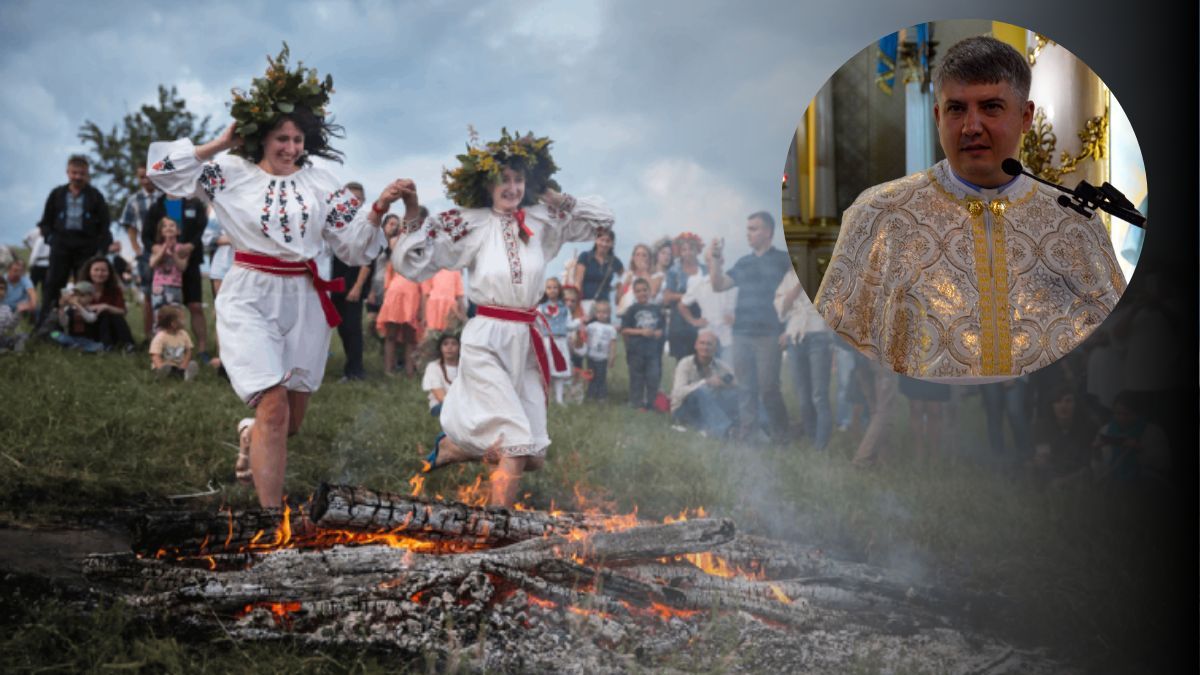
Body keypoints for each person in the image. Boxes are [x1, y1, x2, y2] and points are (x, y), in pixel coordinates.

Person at [147, 46, 395, 507]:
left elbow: (355, 243)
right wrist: (219, 143)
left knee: (289, 421)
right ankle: (270, 520)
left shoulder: (320, 181)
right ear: (261, 137)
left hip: (305, 299)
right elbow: (160, 173)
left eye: (298, 139)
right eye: (282, 138)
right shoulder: (229, 172)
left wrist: (379, 210)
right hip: (249, 292)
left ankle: (251, 435)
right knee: (274, 405)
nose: (291, 148)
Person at [815, 35, 1126, 379]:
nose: (971, 127)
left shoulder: (1074, 221)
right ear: (938, 115)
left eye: (991, 107)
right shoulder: (880, 214)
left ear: (1026, 116)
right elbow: (837, 343)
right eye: (956, 108)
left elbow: (1119, 347)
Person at [393, 129, 614, 507]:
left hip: (527, 339)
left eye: (518, 179)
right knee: (514, 443)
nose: (511, 187)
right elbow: (412, 260)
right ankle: (496, 532)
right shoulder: (473, 223)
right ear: (488, 186)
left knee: (534, 457)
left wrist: (549, 192)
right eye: (503, 180)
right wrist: (412, 213)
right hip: (487, 339)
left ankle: (455, 447)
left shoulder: (543, 219)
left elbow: (603, 220)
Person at [706, 211, 793, 442]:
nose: (748, 234)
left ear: (768, 232)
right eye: (748, 229)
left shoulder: (785, 260)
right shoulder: (744, 262)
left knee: (768, 388)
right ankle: (748, 435)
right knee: (745, 387)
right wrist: (715, 259)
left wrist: (790, 327)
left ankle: (782, 434)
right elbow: (718, 285)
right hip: (742, 333)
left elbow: (801, 293)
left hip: (770, 333)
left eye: (754, 229)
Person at [37, 154, 112, 319]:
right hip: (61, 245)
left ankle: (81, 326)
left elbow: (105, 226)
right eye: (74, 173)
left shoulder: (95, 196)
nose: (78, 177)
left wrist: (100, 250)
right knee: (53, 285)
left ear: (87, 174)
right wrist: (51, 239)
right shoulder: (57, 194)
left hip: (85, 246)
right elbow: (45, 222)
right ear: (68, 172)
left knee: (83, 288)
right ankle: (45, 324)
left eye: (82, 173)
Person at [142, 193, 209, 358]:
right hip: (163, 267)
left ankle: (202, 349)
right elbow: (146, 235)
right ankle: (157, 346)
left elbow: (202, 228)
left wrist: (191, 246)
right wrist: (155, 249)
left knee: (195, 306)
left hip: (190, 261)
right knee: (161, 309)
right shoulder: (157, 205)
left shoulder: (195, 203)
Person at [775, 270, 833, 450]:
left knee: (819, 395)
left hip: (818, 335)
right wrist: (799, 284)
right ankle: (811, 437)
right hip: (794, 337)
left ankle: (821, 446)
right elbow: (782, 308)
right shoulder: (789, 277)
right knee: (803, 395)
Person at [671, 331, 739, 438]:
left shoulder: (720, 365)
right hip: (684, 409)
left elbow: (736, 382)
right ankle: (725, 431)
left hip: (709, 408)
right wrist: (705, 382)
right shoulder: (685, 363)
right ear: (696, 346)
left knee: (735, 394)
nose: (705, 347)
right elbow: (677, 393)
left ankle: (763, 425)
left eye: (709, 344)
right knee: (701, 392)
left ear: (715, 348)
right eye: (702, 343)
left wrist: (723, 384)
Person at [120, 165, 159, 333]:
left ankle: (169, 334)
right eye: (142, 177)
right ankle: (149, 335)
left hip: (165, 252)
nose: (146, 180)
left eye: (149, 176)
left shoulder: (166, 196)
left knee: (167, 295)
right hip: (145, 253)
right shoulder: (133, 200)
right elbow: (130, 226)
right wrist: (136, 248)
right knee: (148, 296)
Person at [377, 243, 425, 376]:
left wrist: (421, 307)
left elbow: (424, 286)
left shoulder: (422, 263)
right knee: (391, 335)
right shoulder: (395, 260)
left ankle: (410, 372)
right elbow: (388, 280)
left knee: (410, 337)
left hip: (412, 298)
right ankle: (388, 370)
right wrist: (386, 299)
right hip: (394, 297)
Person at [620, 277, 665, 411]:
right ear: (634, 293)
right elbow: (624, 329)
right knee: (637, 378)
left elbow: (662, 328)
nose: (642, 293)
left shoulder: (656, 309)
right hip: (636, 350)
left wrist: (658, 333)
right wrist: (641, 332)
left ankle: (651, 403)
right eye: (638, 291)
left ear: (650, 291)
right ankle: (636, 403)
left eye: (645, 290)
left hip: (653, 351)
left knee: (653, 377)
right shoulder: (632, 310)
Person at [662, 232, 705, 361]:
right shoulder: (674, 271)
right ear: (679, 252)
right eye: (684, 250)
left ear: (698, 250)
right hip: (680, 324)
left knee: (703, 360)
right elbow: (667, 297)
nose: (688, 252)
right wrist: (690, 296)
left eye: (691, 248)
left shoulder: (706, 270)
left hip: (702, 320)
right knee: (682, 363)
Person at [78, 255, 134, 350]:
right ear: (89, 271)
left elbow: (123, 311)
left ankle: (127, 344)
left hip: (109, 327)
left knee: (111, 314)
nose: (100, 273)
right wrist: (90, 308)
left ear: (109, 273)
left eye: (103, 270)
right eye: (96, 270)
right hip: (87, 327)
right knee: (103, 314)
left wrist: (106, 306)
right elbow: (73, 308)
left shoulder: (115, 290)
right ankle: (106, 344)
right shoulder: (80, 288)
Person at [148, 216, 191, 327]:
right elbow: (152, 264)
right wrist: (164, 248)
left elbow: (182, 267)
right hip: (159, 287)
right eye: (165, 226)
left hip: (175, 287)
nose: (168, 228)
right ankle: (159, 342)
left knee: (176, 317)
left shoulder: (183, 248)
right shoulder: (156, 247)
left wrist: (174, 253)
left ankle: (176, 342)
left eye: (172, 225)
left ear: (178, 230)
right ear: (161, 231)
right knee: (159, 317)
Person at [537, 277, 571, 404]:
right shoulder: (540, 308)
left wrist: (579, 323)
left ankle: (559, 399)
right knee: (546, 370)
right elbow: (537, 323)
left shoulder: (564, 308)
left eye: (555, 287)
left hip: (560, 341)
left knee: (559, 371)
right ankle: (545, 398)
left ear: (559, 290)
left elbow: (569, 324)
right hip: (546, 341)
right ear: (545, 290)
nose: (552, 290)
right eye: (549, 287)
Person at [574, 226, 622, 316]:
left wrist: (618, 287)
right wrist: (576, 305)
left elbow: (625, 277)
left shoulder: (614, 261)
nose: (604, 244)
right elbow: (578, 281)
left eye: (608, 241)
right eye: (601, 240)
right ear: (596, 240)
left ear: (612, 243)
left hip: (604, 306)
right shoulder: (585, 257)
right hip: (585, 302)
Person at [583, 298, 619, 401]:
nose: (601, 314)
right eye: (599, 312)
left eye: (604, 312)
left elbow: (613, 343)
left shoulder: (611, 329)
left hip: (602, 358)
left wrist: (612, 356)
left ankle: (601, 396)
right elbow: (583, 335)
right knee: (590, 377)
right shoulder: (591, 326)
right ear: (595, 313)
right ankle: (590, 395)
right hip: (591, 356)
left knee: (601, 378)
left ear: (609, 313)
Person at [150, 306, 199, 381]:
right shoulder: (160, 337)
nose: (185, 321)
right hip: (165, 365)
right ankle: (161, 374)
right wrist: (160, 367)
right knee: (168, 369)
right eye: (182, 319)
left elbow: (188, 351)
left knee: (188, 365)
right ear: (174, 324)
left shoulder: (184, 334)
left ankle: (186, 375)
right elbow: (155, 356)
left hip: (180, 365)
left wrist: (184, 365)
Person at [615, 243, 659, 319]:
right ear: (633, 257)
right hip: (627, 315)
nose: (640, 258)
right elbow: (617, 299)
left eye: (644, 255)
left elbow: (653, 293)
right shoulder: (627, 275)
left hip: (646, 315)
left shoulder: (655, 276)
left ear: (649, 258)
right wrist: (626, 282)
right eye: (637, 255)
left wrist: (644, 271)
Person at [421, 332, 460, 417]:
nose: (449, 347)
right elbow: (441, 397)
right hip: (441, 406)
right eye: (445, 344)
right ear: (440, 348)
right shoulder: (433, 367)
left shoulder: (465, 367)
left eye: (454, 344)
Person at [423, 268, 466, 333]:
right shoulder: (430, 268)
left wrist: (463, 315)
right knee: (431, 333)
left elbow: (459, 294)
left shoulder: (455, 270)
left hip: (450, 308)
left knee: (449, 332)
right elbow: (426, 294)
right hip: (433, 307)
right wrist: (424, 316)